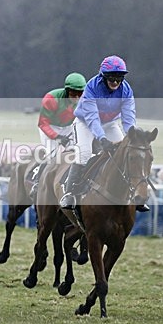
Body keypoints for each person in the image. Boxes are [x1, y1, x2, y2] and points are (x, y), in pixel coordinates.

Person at [59, 55, 149, 212]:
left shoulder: (126, 90)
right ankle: (70, 192)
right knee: (85, 153)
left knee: (126, 152)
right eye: (111, 78)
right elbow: (92, 118)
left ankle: (134, 194)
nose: (115, 82)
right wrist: (102, 139)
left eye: (119, 78)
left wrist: (132, 137)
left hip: (109, 123)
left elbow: (128, 119)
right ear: (103, 76)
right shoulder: (92, 87)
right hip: (85, 123)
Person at [29, 72, 86, 198]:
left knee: (78, 154)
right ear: (66, 90)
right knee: (52, 157)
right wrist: (58, 137)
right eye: (73, 93)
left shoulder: (84, 100)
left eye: (80, 93)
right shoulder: (51, 99)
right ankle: (37, 182)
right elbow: (43, 123)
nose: (76, 96)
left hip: (69, 127)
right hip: (50, 126)